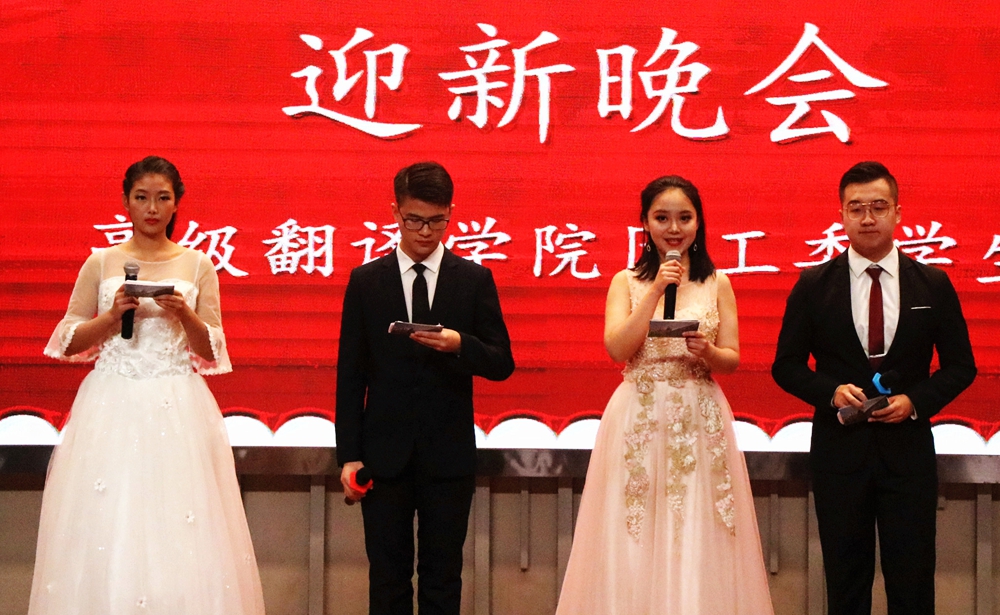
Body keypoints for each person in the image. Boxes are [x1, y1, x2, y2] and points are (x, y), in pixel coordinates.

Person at [29, 156, 265, 615]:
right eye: (142, 197)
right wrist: (112, 316)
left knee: (180, 521)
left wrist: (185, 315)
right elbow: (69, 341)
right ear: (126, 202)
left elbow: (212, 350)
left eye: (162, 198)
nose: (152, 208)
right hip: (111, 402)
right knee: (107, 519)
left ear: (176, 204)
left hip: (177, 404)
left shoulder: (197, 264)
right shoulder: (101, 262)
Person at [555, 176, 774, 614]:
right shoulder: (625, 281)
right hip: (638, 414)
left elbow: (731, 358)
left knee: (696, 524)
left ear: (699, 223)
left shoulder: (718, 282)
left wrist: (707, 351)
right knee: (632, 524)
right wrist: (655, 288)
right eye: (662, 218)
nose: (674, 229)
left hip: (698, 414)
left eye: (684, 218)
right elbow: (618, 348)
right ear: (645, 223)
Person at [772, 161, 976, 615]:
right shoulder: (813, 285)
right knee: (845, 582)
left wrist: (915, 401)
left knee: (913, 581)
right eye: (856, 208)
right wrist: (830, 392)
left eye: (879, 207)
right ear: (841, 215)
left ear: (898, 213)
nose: (868, 218)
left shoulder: (932, 283)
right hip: (839, 455)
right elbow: (785, 366)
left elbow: (962, 367)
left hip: (908, 455)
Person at [336, 161, 515, 615]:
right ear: (395, 211)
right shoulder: (366, 281)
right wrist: (349, 456)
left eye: (437, 221)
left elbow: (502, 362)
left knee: (442, 580)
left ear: (450, 213)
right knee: (387, 580)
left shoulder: (472, 279)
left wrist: (460, 344)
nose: (425, 232)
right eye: (413, 220)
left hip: (448, 457)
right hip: (383, 457)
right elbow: (350, 375)